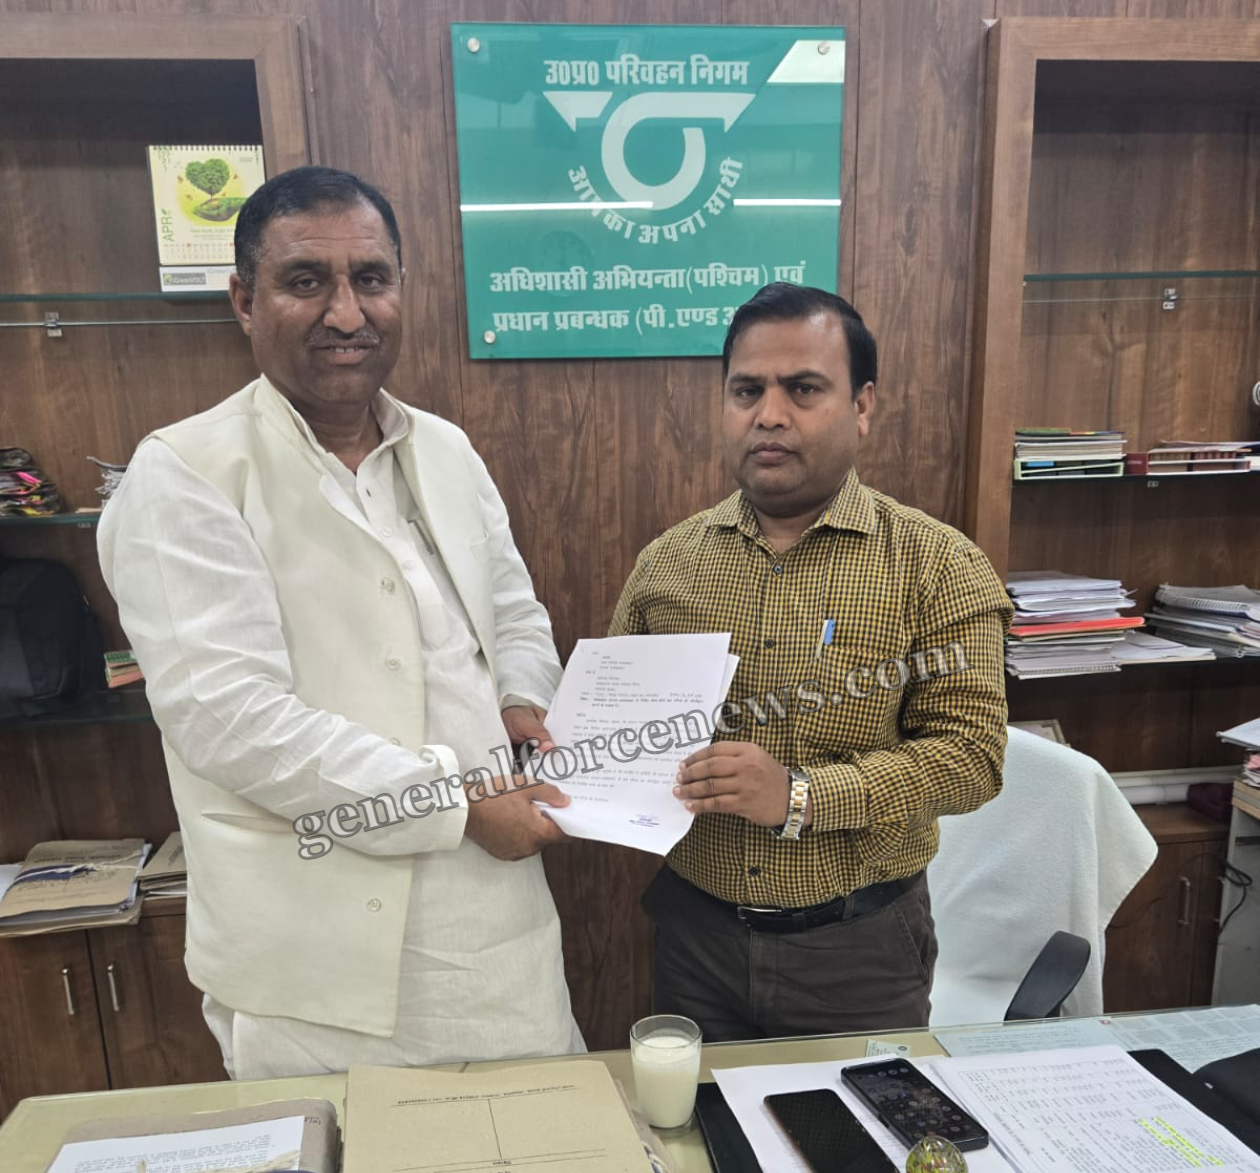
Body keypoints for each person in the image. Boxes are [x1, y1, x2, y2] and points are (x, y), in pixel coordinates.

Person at [98, 166, 583, 1079]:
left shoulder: (445, 448)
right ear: (244, 300)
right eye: (305, 280)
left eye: (370, 278)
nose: (347, 313)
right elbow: (230, 719)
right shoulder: (186, 474)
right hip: (314, 960)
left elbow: (512, 610)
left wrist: (524, 699)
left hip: (494, 929)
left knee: (533, 1127)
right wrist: (459, 802)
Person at [609, 283, 1013, 1041]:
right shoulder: (667, 565)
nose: (769, 414)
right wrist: (578, 767)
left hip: (857, 953)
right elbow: (619, 733)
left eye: (802, 389)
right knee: (696, 1117)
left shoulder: (936, 564)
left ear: (862, 406)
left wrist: (798, 796)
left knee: (854, 1121)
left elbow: (972, 759)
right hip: (694, 941)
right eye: (747, 391)